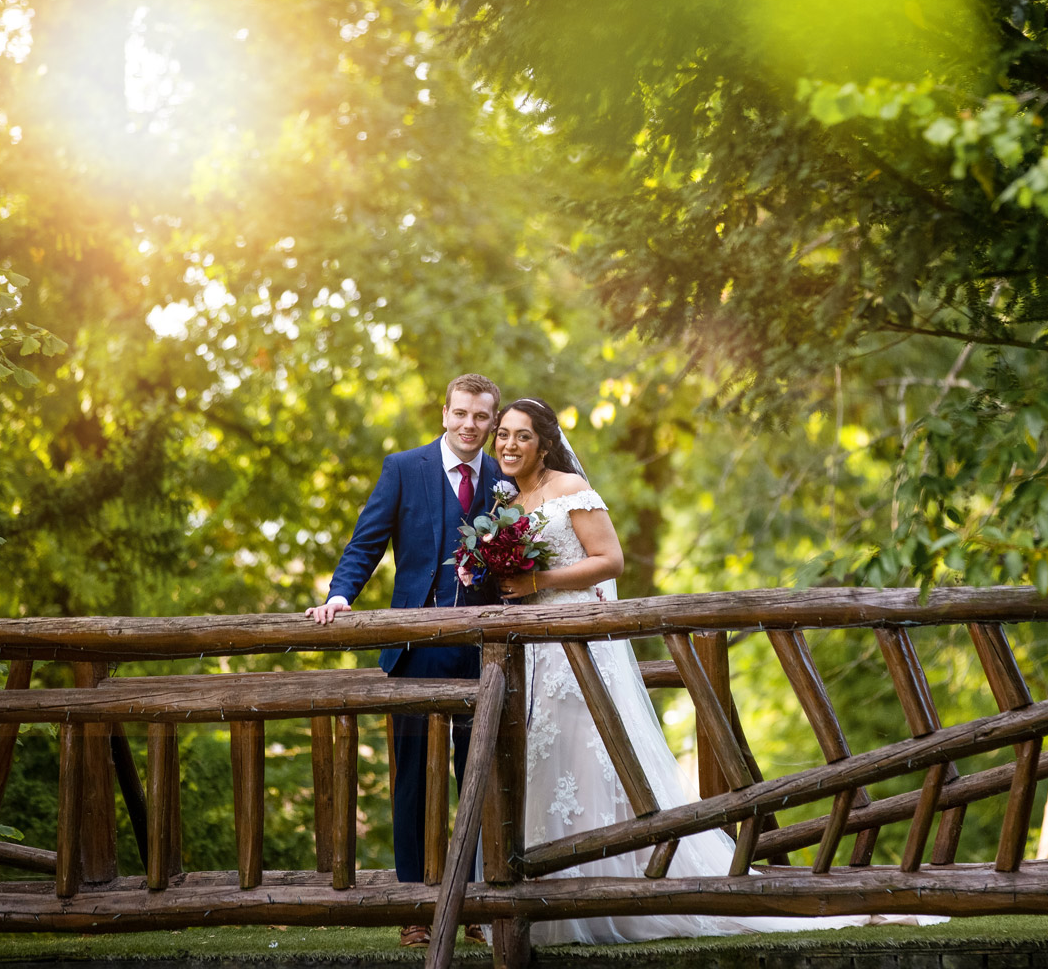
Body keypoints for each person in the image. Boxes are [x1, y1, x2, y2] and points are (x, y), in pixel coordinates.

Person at [491, 398, 934, 945]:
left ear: (545, 443)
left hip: (575, 644)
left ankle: (622, 889)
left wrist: (539, 583)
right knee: (546, 757)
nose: (509, 445)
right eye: (503, 435)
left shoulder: (568, 490)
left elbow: (610, 561)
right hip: (533, 647)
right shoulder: (507, 499)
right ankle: (550, 893)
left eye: (522, 436)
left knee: (591, 755)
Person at [305, 373, 507, 949]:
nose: (471, 425)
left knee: (479, 780)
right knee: (413, 781)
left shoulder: (502, 478)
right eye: (462, 413)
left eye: (481, 417)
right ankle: (415, 905)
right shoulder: (403, 468)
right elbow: (366, 543)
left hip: (483, 654)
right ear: (444, 412)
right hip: (415, 652)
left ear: (492, 422)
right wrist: (341, 594)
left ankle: (474, 906)